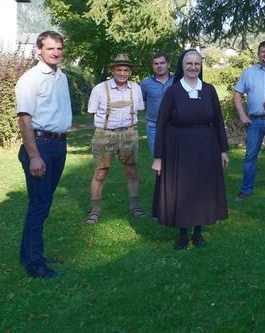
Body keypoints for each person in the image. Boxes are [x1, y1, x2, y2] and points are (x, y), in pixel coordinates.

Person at [152, 49, 229, 249]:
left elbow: (218, 121)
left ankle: (198, 233)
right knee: (182, 188)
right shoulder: (173, 91)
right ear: (182, 67)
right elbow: (161, 124)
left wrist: (223, 150)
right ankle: (183, 233)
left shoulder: (209, 90)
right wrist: (158, 157)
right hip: (179, 147)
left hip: (206, 147)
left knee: (202, 189)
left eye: (197, 64)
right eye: (189, 64)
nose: (193, 67)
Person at [15, 31, 72, 279]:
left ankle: (29, 255)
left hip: (59, 146)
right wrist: (34, 156)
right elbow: (25, 120)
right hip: (40, 146)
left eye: (59, 48)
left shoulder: (61, 76)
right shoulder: (31, 79)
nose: (56, 53)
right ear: (39, 49)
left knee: (43, 205)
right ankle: (35, 265)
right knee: (39, 206)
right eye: (50, 49)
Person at [85, 54, 146, 224]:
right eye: (118, 69)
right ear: (112, 70)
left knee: (131, 172)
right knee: (100, 173)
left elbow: (139, 110)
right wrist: (105, 128)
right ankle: (95, 211)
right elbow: (92, 113)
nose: (122, 73)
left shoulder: (136, 88)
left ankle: (135, 207)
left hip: (129, 133)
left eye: (126, 70)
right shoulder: (99, 89)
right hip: (105, 134)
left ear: (130, 72)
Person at [233, 41, 265, 200]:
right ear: (258, 54)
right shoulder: (248, 73)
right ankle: (245, 190)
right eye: (262, 51)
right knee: (250, 157)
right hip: (254, 121)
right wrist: (243, 115)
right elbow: (237, 95)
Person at [140, 52, 173, 153]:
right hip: (153, 126)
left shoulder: (177, 80)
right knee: (157, 157)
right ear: (152, 66)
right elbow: (142, 102)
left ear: (168, 64)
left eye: (162, 63)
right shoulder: (145, 83)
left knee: (175, 157)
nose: (159, 66)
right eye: (156, 63)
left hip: (174, 125)